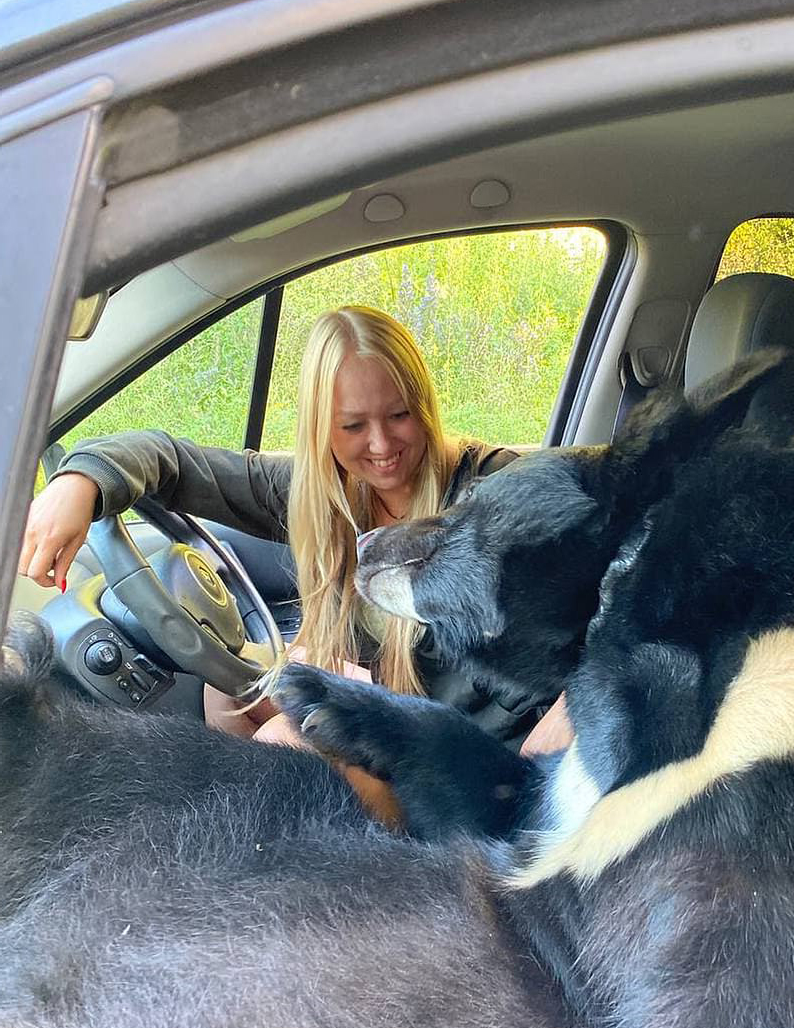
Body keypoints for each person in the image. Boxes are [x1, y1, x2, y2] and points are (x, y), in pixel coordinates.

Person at [20, 306, 572, 818]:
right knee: (232, 691)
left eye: (399, 415)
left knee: (284, 747)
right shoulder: (322, 497)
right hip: (395, 726)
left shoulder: (494, 492)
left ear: (423, 404)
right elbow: (173, 462)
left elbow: (630, 584)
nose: (382, 445)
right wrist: (82, 480)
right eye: (353, 426)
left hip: (484, 778)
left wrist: (574, 712)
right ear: (321, 427)